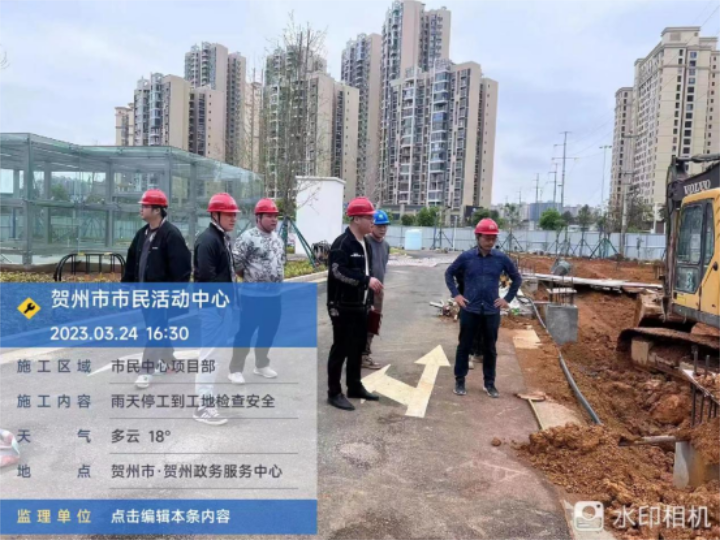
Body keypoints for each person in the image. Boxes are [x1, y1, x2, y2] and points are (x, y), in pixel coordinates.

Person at [122, 189, 191, 390]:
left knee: (155, 330)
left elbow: (182, 267)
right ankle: (171, 362)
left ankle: (146, 371)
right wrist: (127, 285)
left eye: (145, 206)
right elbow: (132, 261)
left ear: (157, 210)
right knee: (157, 328)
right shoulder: (142, 234)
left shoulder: (171, 234)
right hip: (144, 293)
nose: (141, 209)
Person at [444, 218, 521, 398]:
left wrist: (507, 299)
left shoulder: (501, 258)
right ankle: (460, 381)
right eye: (487, 237)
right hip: (469, 309)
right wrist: (457, 295)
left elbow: (517, 278)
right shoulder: (467, 257)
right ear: (478, 237)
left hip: (491, 311)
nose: (490, 241)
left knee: (490, 349)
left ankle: (489, 383)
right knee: (464, 346)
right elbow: (449, 273)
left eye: (493, 238)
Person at [326, 197, 384, 411]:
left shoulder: (365, 243)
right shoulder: (342, 243)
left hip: (360, 305)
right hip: (341, 305)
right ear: (356, 218)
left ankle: (354, 385)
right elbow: (337, 272)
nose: (373, 221)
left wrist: (369, 301)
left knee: (357, 348)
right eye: (369, 217)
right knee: (340, 348)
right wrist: (366, 281)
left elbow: (367, 271)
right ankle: (334, 392)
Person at [192, 192, 241, 425]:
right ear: (215, 215)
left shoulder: (221, 238)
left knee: (213, 355)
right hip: (213, 308)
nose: (233, 218)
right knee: (209, 355)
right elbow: (206, 278)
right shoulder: (208, 240)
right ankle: (203, 407)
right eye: (228, 214)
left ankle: (207, 400)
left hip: (220, 307)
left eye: (234, 214)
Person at [229, 198, 285, 384]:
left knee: (268, 331)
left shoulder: (278, 239)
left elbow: (281, 261)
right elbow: (236, 263)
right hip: (252, 297)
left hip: (274, 297)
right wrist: (251, 277)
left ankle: (261, 364)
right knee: (245, 332)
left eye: (275, 216)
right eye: (269, 216)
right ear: (258, 217)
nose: (274, 219)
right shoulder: (248, 237)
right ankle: (235, 369)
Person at [361, 209, 391, 370]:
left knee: (373, 323)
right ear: (372, 226)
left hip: (378, 291)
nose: (382, 229)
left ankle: (365, 354)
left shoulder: (386, 246)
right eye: (379, 226)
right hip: (364, 290)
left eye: (385, 226)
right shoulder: (364, 243)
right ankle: (357, 355)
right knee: (361, 323)